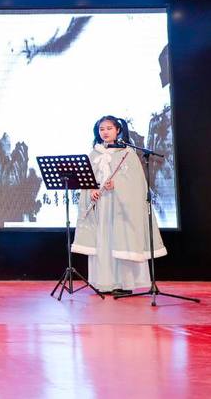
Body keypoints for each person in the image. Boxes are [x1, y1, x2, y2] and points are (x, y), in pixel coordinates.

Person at [71, 115, 167, 296]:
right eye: (102, 129)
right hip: (101, 206)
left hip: (121, 207)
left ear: (118, 130)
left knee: (121, 239)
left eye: (109, 128)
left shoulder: (127, 153)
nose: (105, 132)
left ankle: (125, 283)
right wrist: (91, 190)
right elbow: (86, 180)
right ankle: (105, 283)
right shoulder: (94, 154)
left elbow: (137, 183)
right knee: (103, 241)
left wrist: (117, 185)